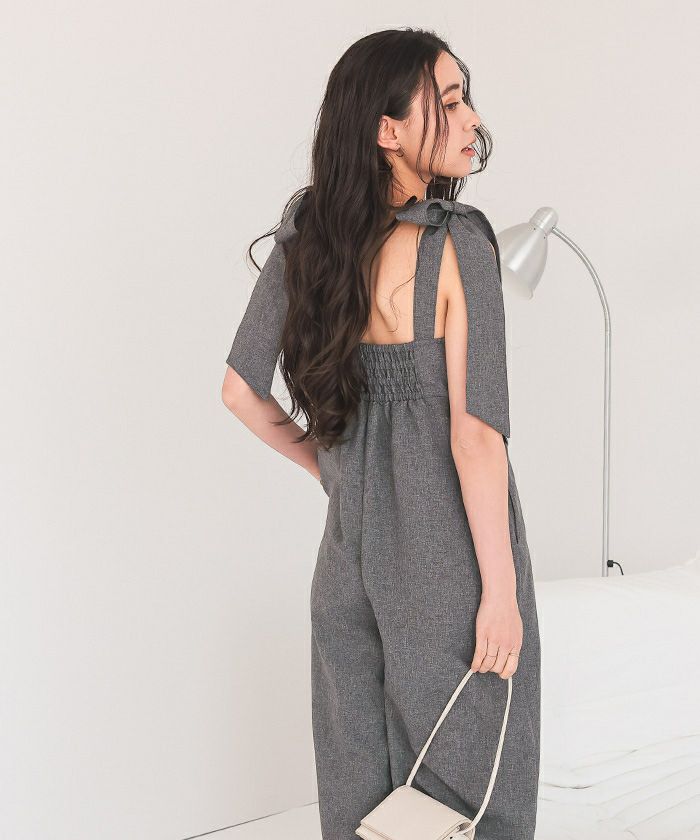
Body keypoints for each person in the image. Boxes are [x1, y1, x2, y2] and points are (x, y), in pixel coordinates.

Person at [221, 28, 540, 840]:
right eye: (451, 101)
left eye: (467, 99)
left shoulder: (311, 235)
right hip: (450, 564)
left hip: (346, 559)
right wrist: (500, 595)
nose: (472, 120)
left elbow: (238, 391)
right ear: (387, 129)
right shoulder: (458, 243)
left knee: (360, 796)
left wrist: (332, 470)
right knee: (471, 796)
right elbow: (475, 438)